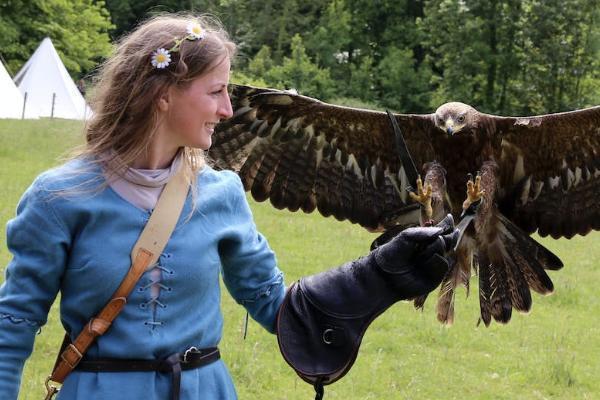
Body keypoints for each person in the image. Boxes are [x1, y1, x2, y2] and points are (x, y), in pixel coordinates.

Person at [0, 14, 456, 400]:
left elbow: (274, 305)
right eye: (216, 91)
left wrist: (374, 277)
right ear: (163, 95)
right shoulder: (59, 197)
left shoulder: (221, 193)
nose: (227, 110)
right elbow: (13, 324)